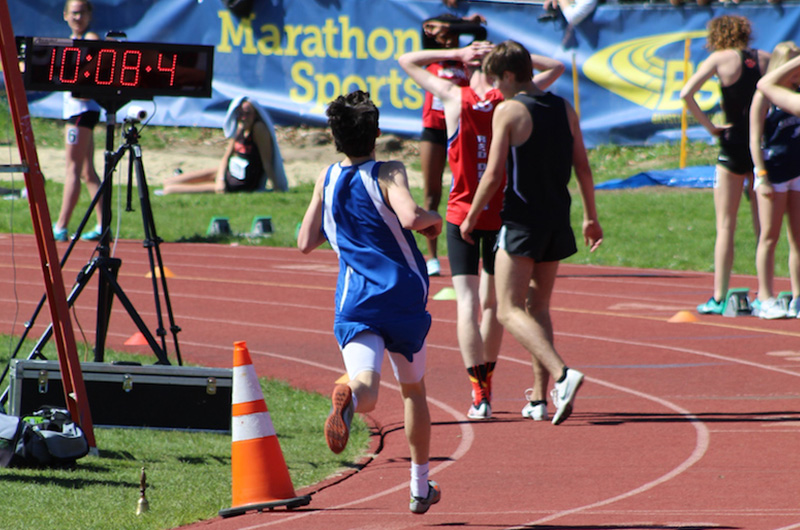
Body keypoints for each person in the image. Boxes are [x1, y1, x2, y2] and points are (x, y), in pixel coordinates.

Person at [399, 42, 564, 420]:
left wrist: (458, 54)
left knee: (468, 304)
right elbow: (554, 66)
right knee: (493, 305)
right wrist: (507, 52)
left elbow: (407, 60)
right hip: (502, 213)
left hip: (462, 214)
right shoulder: (509, 98)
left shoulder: (454, 96)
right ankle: (489, 384)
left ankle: (479, 394)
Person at [296, 90, 443, 513]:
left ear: (334, 138)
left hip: (355, 301)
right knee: (413, 390)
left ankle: (350, 403)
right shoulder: (389, 171)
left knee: (368, 389)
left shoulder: (326, 179)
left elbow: (305, 241)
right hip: (402, 297)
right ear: (377, 133)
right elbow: (412, 217)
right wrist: (433, 223)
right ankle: (419, 487)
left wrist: (339, 224)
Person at [460, 40, 603, 426]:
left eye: (496, 81)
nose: (495, 91)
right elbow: (584, 168)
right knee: (537, 308)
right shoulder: (564, 107)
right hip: (558, 217)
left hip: (522, 220)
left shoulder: (508, 111)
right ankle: (539, 400)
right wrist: (591, 216)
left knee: (507, 308)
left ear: (509, 76)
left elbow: (493, 175)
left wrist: (471, 218)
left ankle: (562, 374)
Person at [679, 15, 770, 315]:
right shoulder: (765, 59)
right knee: (764, 229)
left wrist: (710, 127)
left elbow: (686, 93)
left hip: (731, 147)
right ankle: (765, 294)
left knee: (725, 225)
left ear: (717, 35)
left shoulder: (720, 58)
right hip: (760, 146)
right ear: (746, 32)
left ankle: (719, 296)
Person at [418, 14, 486, 277]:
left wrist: (454, 26)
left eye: (451, 36)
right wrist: (441, 30)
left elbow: (479, 31)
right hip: (434, 130)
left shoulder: (468, 59)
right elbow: (423, 31)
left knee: (467, 189)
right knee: (432, 194)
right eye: (441, 36)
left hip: (462, 131)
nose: (446, 41)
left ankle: (473, 246)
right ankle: (432, 257)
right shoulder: (430, 57)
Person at [750, 43, 800, 319]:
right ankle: (764, 296)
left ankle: (797, 296)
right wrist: (762, 174)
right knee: (769, 236)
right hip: (773, 172)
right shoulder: (765, 96)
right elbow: (754, 139)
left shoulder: (797, 94)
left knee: (798, 239)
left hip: (796, 171)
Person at [161, 97, 288, 194]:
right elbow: (226, 156)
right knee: (168, 182)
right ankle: (179, 180)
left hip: (242, 182)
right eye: (240, 114)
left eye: (247, 113)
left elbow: (267, 161)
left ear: (255, 114)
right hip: (231, 172)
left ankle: (176, 188)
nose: (243, 117)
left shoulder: (259, 129)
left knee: (169, 190)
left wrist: (277, 188)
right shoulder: (240, 128)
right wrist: (220, 178)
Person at [53, 0, 103, 242]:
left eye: (82, 12)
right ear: (65, 15)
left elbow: (87, 79)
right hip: (80, 110)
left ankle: (61, 225)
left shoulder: (90, 39)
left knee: (72, 168)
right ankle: (104, 225)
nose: (77, 17)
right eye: (74, 13)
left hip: (81, 111)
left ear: (90, 14)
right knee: (87, 171)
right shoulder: (72, 41)